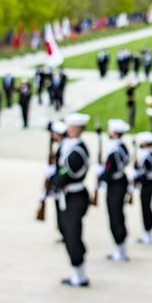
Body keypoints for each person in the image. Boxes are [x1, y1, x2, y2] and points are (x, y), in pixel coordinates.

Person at [48, 113, 91, 286]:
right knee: (67, 232)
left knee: (72, 235)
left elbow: (67, 172)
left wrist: (54, 180)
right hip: (67, 196)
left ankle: (79, 275)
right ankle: (78, 271)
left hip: (74, 196)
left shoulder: (76, 151)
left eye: (70, 128)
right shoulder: (70, 145)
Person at [94, 119, 132, 262]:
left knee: (115, 217)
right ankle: (120, 248)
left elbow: (110, 171)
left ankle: (120, 250)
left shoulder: (114, 151)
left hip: (115, 185)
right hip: (120, 182)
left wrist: (100, 174)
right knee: (118, 216)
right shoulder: (122, 146)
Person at [133, 131, 152, 245]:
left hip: (147, 184)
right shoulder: (150, 154)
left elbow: (144, 171)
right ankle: (148, 228)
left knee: (145, 207)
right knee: (146, 206)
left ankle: (148, 232)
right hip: (150, 183)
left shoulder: (146, 156)